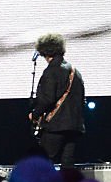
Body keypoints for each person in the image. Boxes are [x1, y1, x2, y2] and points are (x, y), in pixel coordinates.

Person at [29, 33, 85, 168]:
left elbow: (47, 99)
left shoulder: (51, 71)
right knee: (68, 165)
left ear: (45, 51)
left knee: (44, 162)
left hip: (55, 126)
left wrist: (35, 114)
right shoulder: (75, 71)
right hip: (74, 126)